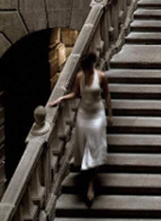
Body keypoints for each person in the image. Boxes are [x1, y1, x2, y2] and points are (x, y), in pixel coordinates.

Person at [48, 52, 112, 205]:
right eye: (83, 69)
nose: (85, 72)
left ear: (92, 66)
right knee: (84, 148)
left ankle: (90, 184)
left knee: (94, 148)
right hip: (84, 114)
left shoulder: (101, 76)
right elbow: (76, 94)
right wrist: (62, 98)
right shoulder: (79, 77)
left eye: (87, 69)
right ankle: (87, 176)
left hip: (97, 115)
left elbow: (107, 96)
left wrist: (110, 115)